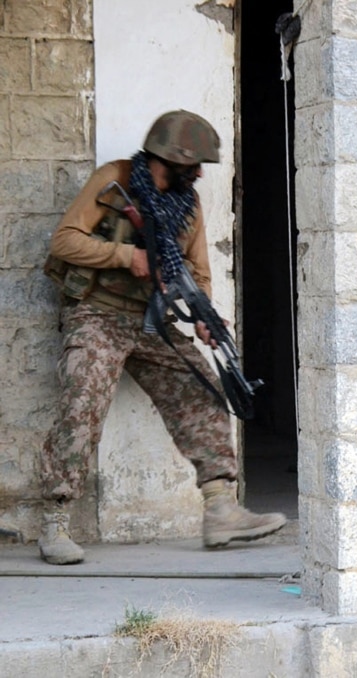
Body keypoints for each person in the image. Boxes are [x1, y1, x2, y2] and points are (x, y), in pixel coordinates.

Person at [38, 110, 286, 564]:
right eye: (194, 165)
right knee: (83, 397)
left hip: (152, 321)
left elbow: (198, 273)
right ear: (169, 157)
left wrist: (204, 316)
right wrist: (124, 255)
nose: (199, 175)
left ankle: (220, 510)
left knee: (205, 389)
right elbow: (64, 241)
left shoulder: (187, 205)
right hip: (97, 313)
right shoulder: (113, 180)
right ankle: (55, 519)